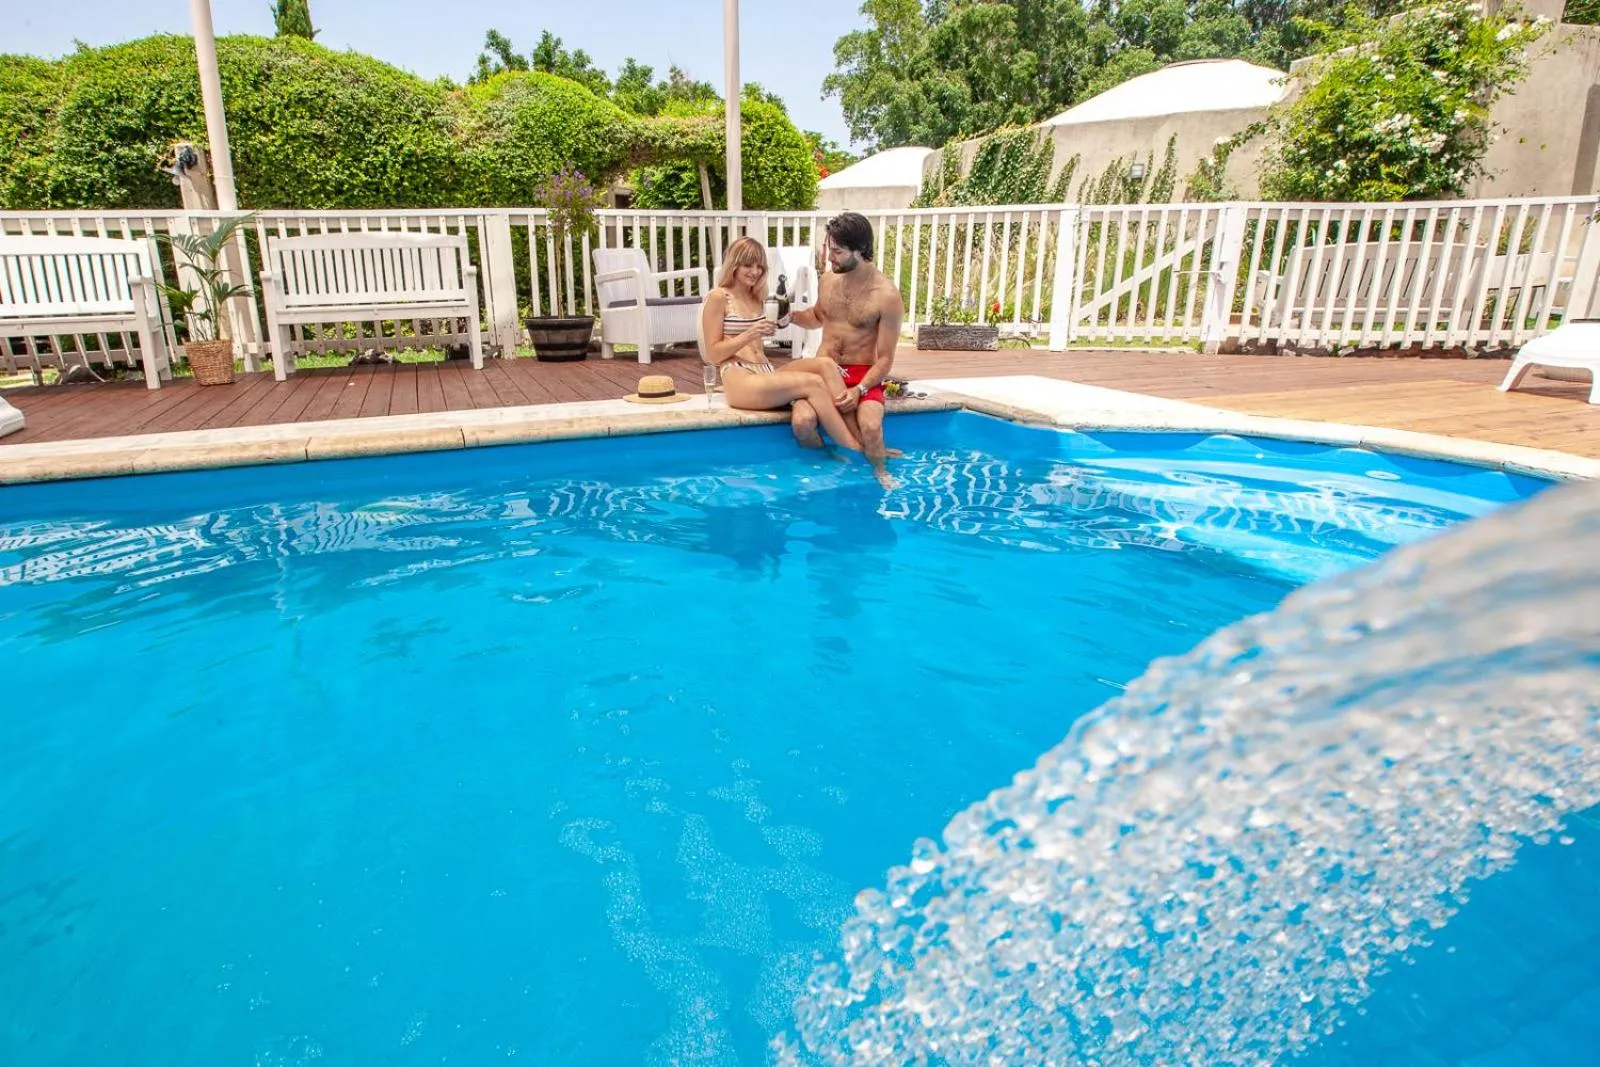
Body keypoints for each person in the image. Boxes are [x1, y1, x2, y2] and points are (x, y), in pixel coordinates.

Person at [700, 237, 864, 453]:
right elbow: (712, 354)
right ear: (734, 265)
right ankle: (854, 449)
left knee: (825, 365)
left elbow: (795, 320)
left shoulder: (758, 297)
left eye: (760, 266)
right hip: (739, 376)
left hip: (765, 371)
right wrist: (749, 334)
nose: (755, 271)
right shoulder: (718, 297)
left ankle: (858, 436)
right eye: (748, 265)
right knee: (813, 383)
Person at [787, 213, 904, 485]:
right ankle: (829, 463)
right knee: (802, 423)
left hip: (862, 376)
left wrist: (860, 389)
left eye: (837, 252)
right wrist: (792, 316)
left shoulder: (886, 295)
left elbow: (885, 359)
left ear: (860, 250)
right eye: (830, 250)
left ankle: (879, 473)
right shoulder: (827, 281)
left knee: (871, 428)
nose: (830, 258)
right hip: (822, 373)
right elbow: (817, 317)